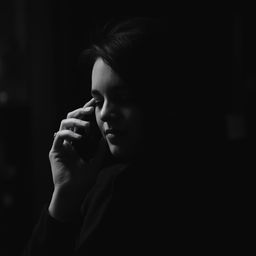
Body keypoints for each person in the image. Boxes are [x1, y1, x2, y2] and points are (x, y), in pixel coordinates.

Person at [23, 16, 177, 256]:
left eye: (123, 97)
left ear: (155, 96)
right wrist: (64, 195)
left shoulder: (117, 186)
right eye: (97, 101)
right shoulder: (102, 182)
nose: (105, 113)